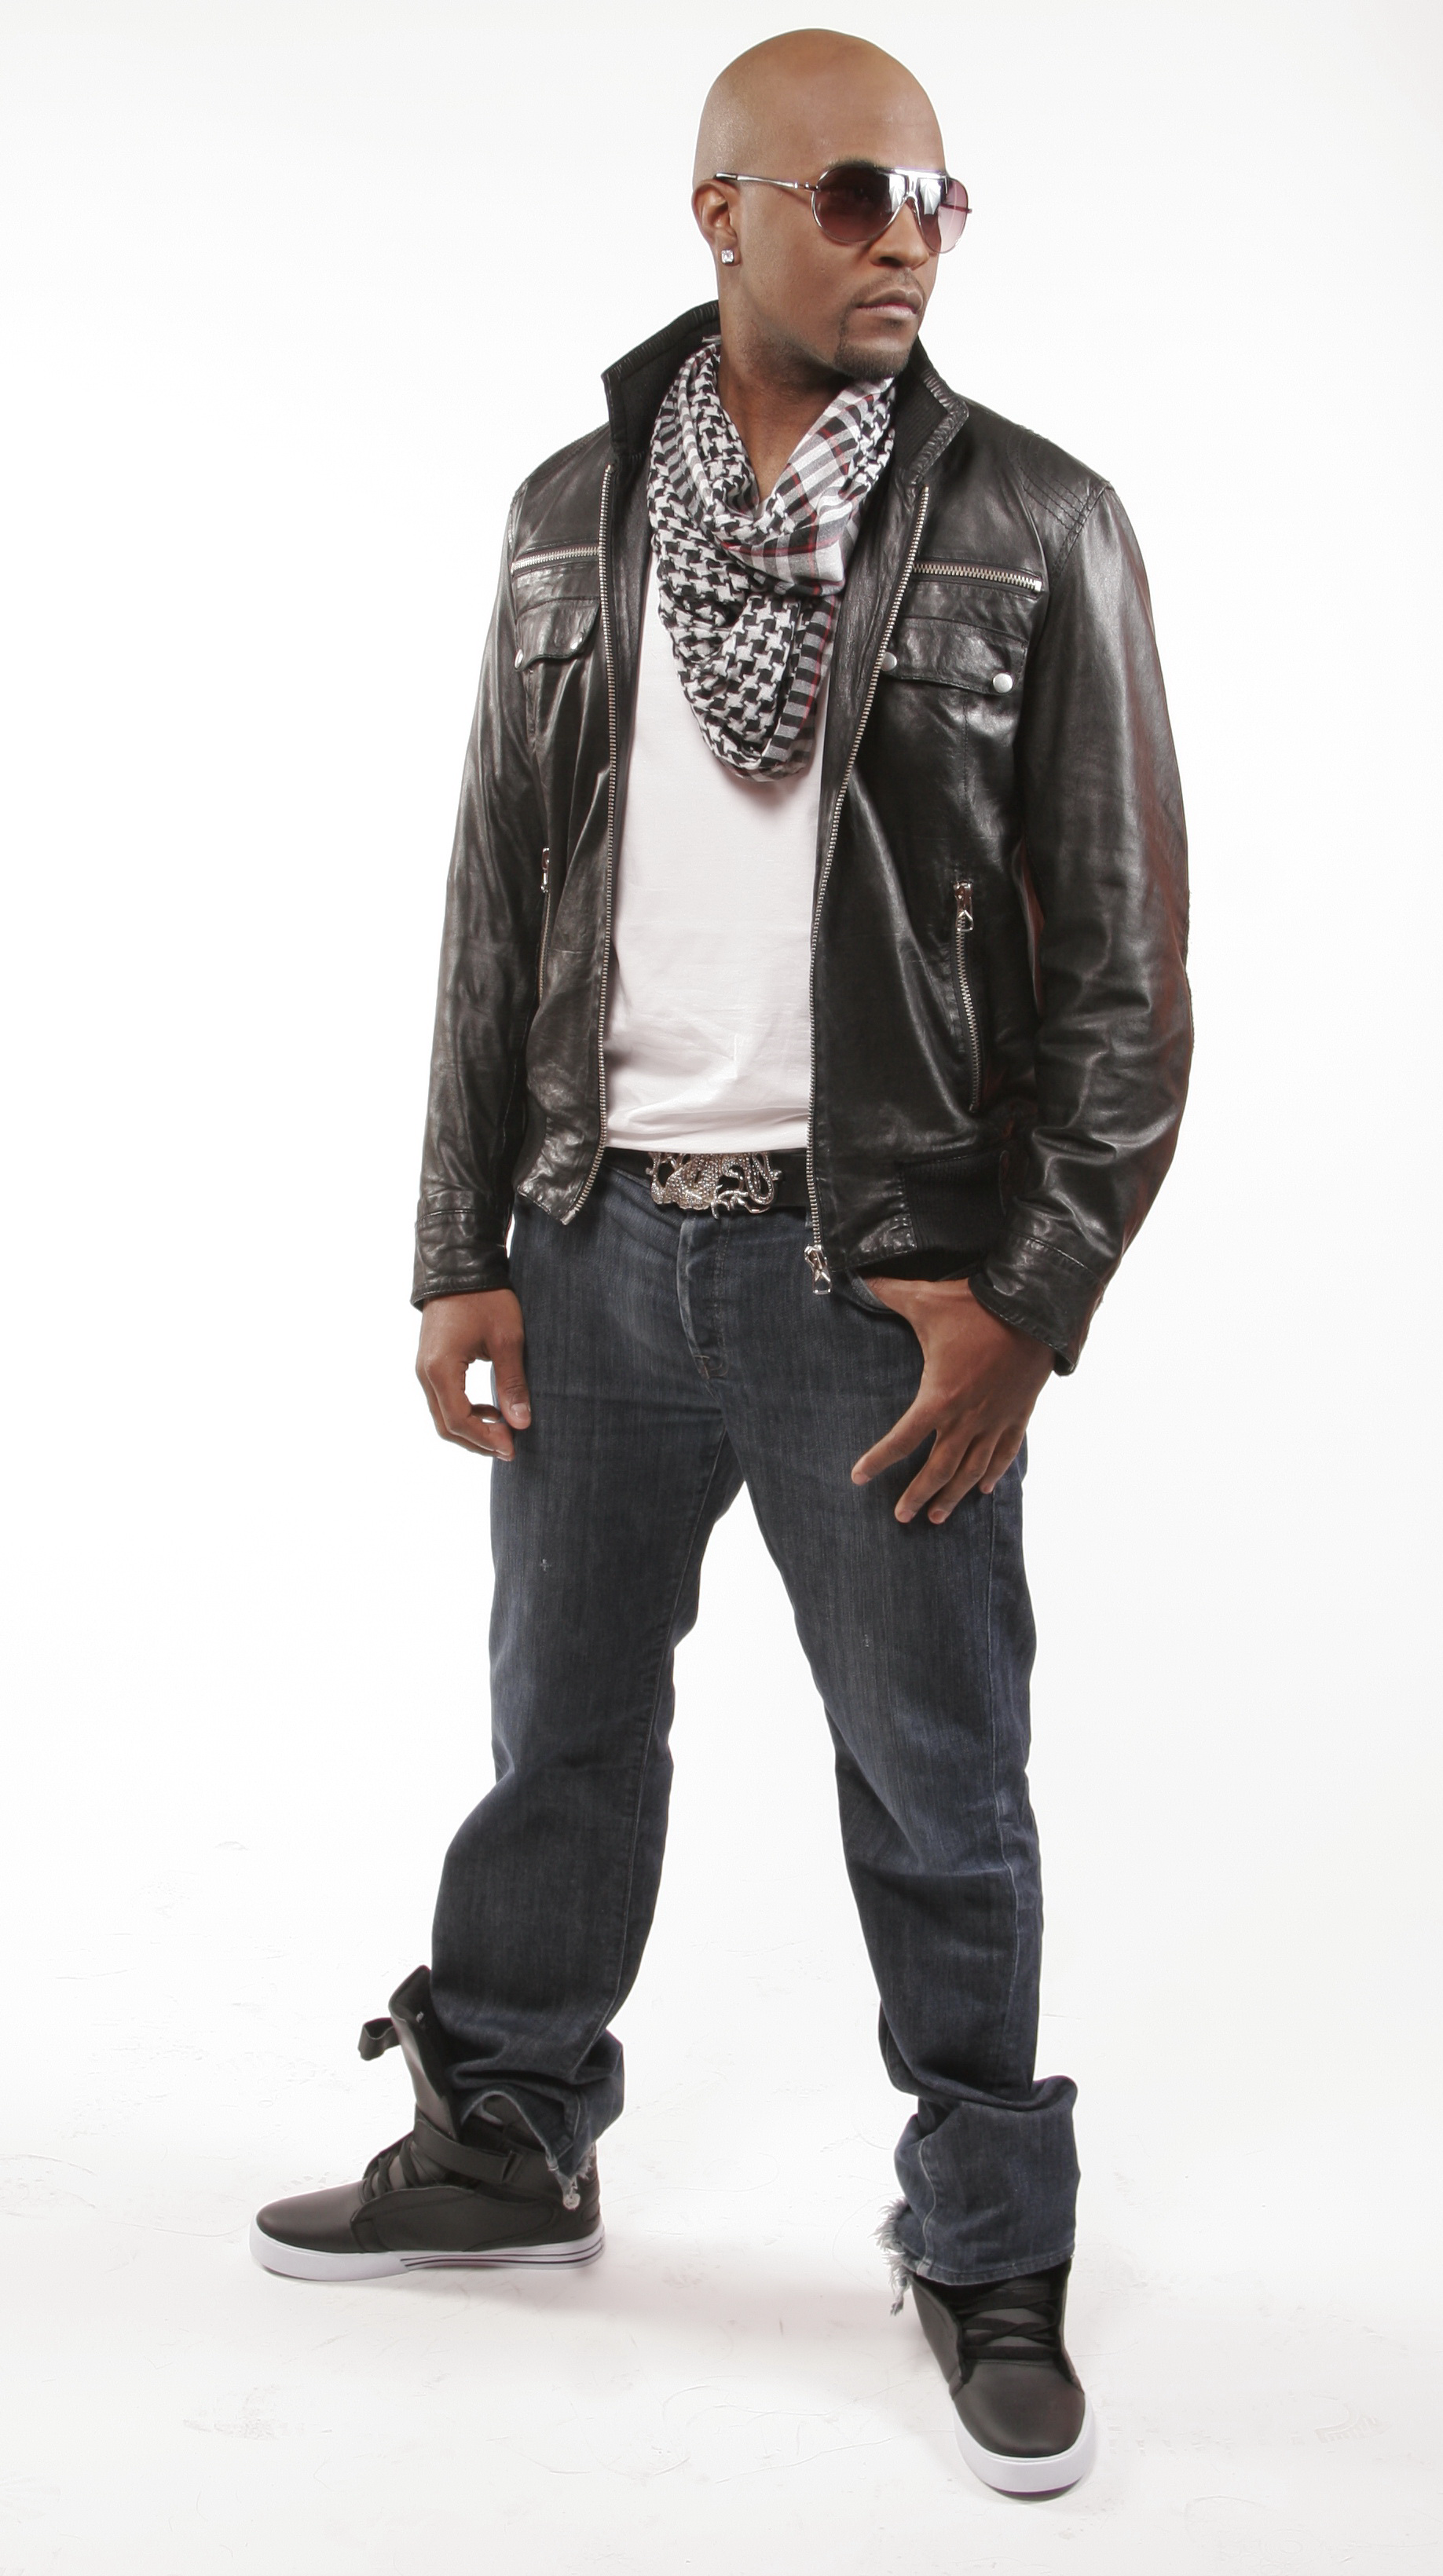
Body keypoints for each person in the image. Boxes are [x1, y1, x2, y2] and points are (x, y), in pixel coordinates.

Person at [251, 27, 1190, 2500]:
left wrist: (1029, 1296)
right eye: (856, 193)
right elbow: (496, 900)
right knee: (558, 1736)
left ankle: (986, 2238)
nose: (906, 241)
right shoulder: (572, 516)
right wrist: (461, 1245)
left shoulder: (1036, 522)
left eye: (939, 201)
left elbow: (1124, 972)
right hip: (586, 1246)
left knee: (936, 1780)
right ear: (723, 211)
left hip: (867, 1282)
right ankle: (505, 2130)